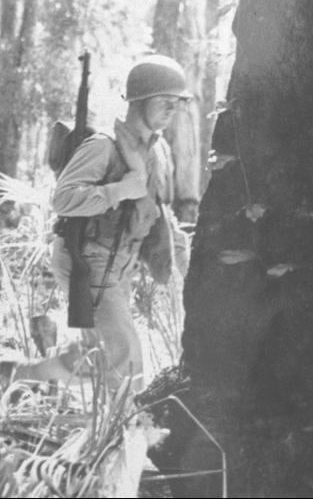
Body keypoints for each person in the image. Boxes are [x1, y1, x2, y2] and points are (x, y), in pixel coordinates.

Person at [14, 55, 190, 393]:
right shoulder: (103, 146)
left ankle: (17, 373)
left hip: (119, 264)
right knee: (126, 353)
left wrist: (183, 257)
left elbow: (159, 215)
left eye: (176, 104)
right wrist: (120, 190)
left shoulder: (157, 151)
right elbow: (62, 199)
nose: (172, 110)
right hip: (88, 259)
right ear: (138, 103)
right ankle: (127, 438)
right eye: (164, 102)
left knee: (95, 356)